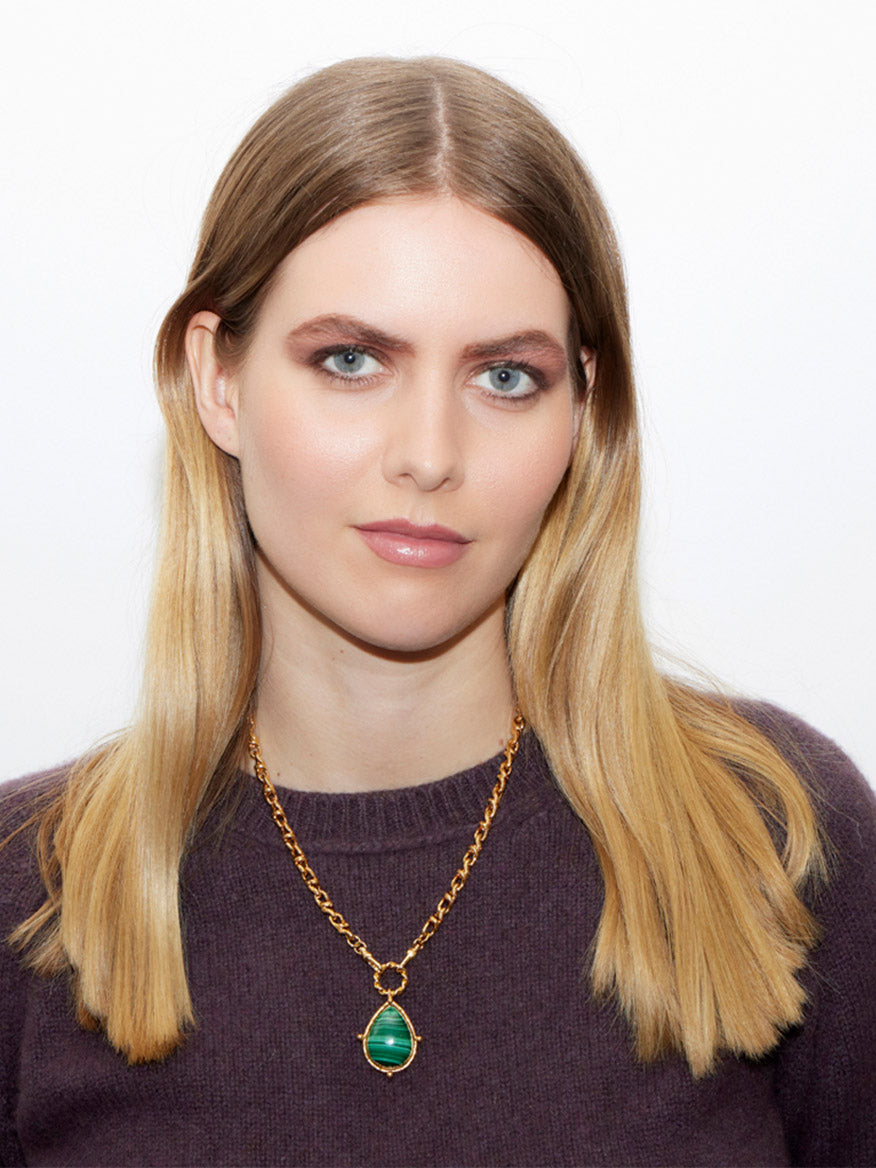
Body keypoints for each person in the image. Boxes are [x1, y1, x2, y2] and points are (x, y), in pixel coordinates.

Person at [1, 55, 874, 1167]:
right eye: (351, 360)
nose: (428, 455)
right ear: (218, 380)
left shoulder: (774, 832)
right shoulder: (26, 892)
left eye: (504, 377)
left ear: (582, 410)